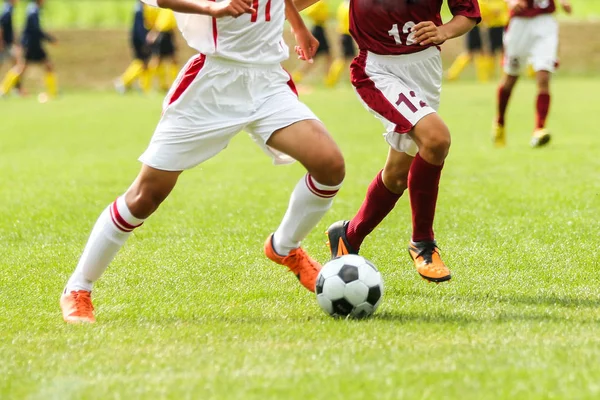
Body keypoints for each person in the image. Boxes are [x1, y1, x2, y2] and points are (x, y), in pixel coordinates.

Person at [60, 0, 345, 324]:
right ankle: (77, 288)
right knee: (146, 195)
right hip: (213, 81)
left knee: (330, 166)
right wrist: (211, 7)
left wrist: (297, 25)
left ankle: (284, 247)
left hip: (266, 81)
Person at [295, 0, 480, 283]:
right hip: (378, 69)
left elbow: (467, 13)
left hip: (425, 69)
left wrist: (444, 31)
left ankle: (348, 236)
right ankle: (423, 243)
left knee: (396, 175)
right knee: (436, 139)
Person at [493, 0, 572, 148]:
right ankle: (500, 122)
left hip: (545, 22)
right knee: (511, 78)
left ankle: (539, 129)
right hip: (519, 23)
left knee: (543, 76)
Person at [0, 0, 57, 99]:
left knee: (24, 67)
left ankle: (6, 89)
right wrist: (50, 39)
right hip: (32, 45)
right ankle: (4, 90)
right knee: (22, 67)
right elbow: (35, 30)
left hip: (32, 44)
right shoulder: (32, 11)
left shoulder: (33, 10)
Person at [446, 0, 508, 82]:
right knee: (472, 53)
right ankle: (452, 74)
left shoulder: (499, 2)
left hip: (488, 27)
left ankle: (485, 78)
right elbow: (483, 14)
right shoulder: (480, 2)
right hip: (474, 27)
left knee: (485, 53)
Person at [114, 1, 158, 94]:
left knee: (145, 63)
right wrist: (144, 40)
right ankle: (123, 82)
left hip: (138, 39)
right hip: (139, 40)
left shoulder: (139, 8)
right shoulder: (139, 10)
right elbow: (139, 29)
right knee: (141, 62)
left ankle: (144, 87)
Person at [291, 1, 331, 85]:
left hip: (321, 29)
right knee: (312, 58)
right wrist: (319, 16)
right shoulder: (318, 3)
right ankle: (296, 76)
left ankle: (328, 80)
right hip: (317, 30)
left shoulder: (322, 3)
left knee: (327, 56)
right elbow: (309, 12)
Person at [144, 7, 179, 92]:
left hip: (167, 33)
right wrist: (155, 32)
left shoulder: (167, 6)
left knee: (172, 60)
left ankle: (173, 85)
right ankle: (147, 85)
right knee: (157, 60)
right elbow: (162, 22)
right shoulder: (166, 5)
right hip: (162, 34)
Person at [324, 0, 356, 87]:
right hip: (346, 35)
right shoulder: (348, 7)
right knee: (344, 59)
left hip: (344, 34)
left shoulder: (342, 6)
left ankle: (332, 80)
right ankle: (331, 80)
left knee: (347, 59)